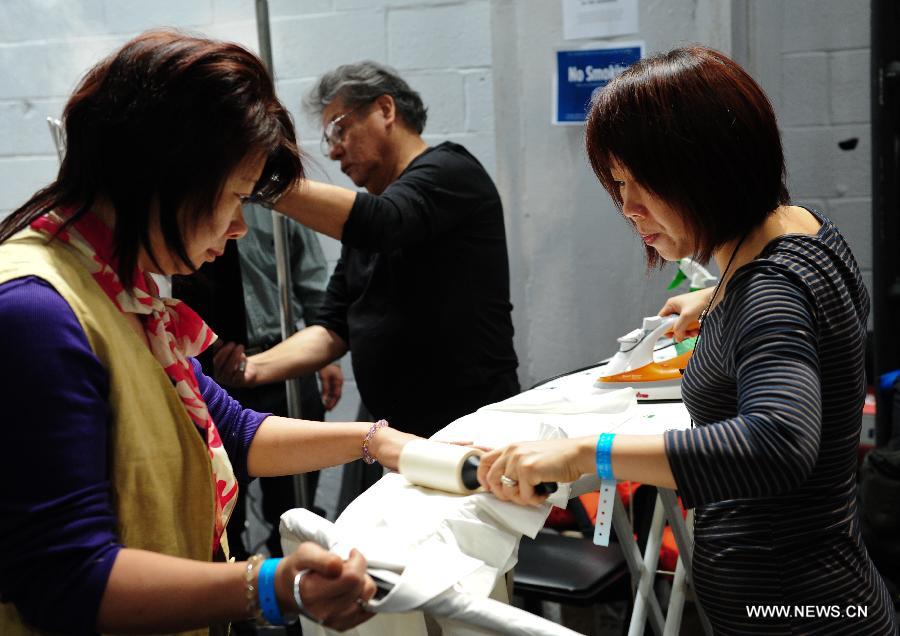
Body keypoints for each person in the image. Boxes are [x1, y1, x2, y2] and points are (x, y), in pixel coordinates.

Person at [0, 31, 418, 635]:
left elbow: (236, 430)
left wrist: (382, 443)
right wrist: (270, 585)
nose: (240, 229)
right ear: (166, 175)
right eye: (235, 197)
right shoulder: (36, 312)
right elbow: (66, 580)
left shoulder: (123, 294)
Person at [476, 46, 897, 634]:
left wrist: (587, 453)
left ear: (704, 170)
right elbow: (810, 313)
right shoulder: (798, 231)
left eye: (639, 185)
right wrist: (718, 297)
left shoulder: (768, 291)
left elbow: (776, 444)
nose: (626, 208)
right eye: (617, 185)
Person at [214, 61, 520, 507]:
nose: (335, 152)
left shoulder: (450, 174)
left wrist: (258, 177)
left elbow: (382, 224)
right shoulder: (372, 220)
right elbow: (332, 328)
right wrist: (251, 369)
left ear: (385, 109)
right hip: (393, 429)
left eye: (339, 129)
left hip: (465, 422)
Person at [174, 203, 344, 559]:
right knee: (221, 507)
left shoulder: (280, 209)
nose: (239, 227)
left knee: (293, 502)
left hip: (283, 359)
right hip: (212, 365)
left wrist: (328, 357)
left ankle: (293, 596)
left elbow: (313, 282)